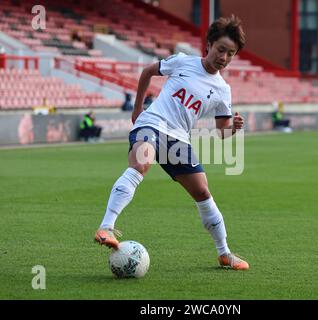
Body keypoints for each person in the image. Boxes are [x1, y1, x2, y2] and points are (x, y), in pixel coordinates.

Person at [94, 16, 249, 270]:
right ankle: (106, 227)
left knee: (202, 191)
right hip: (152, 123)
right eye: (221, 50)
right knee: (141, 163)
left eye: (230, 54)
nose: (224, 57)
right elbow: (148, 72)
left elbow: (221, 132)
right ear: (209, 45)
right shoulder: (182, 62)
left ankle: (225, 253)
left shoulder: (223, 90)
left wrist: (235, 129)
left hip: (178, 138)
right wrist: (138, 108)